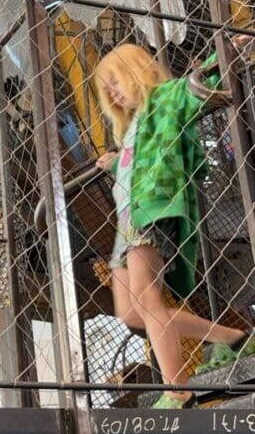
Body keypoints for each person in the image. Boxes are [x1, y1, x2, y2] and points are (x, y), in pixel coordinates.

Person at [94, 42, 255, 409]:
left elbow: (193, 88)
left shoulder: (164, 98)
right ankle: (231, 336)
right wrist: (117, 160)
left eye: (116, 82)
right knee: (130, 312)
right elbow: (143, 156)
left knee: (148, 299)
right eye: (108, 91)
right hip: (127, 222)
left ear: (135, 72)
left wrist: (226, 52)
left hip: (150, 212)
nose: (115, 93)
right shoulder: (134, 125)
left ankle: (176, 387)